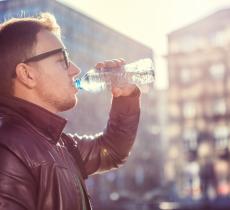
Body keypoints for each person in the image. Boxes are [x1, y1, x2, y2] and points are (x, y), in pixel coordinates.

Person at [0, 13, 140, 210]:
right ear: (27, 74)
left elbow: (112, 150)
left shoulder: (59, 143)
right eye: (62, 59)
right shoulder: (8, 151)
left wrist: (125, 97)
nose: (75, 69)